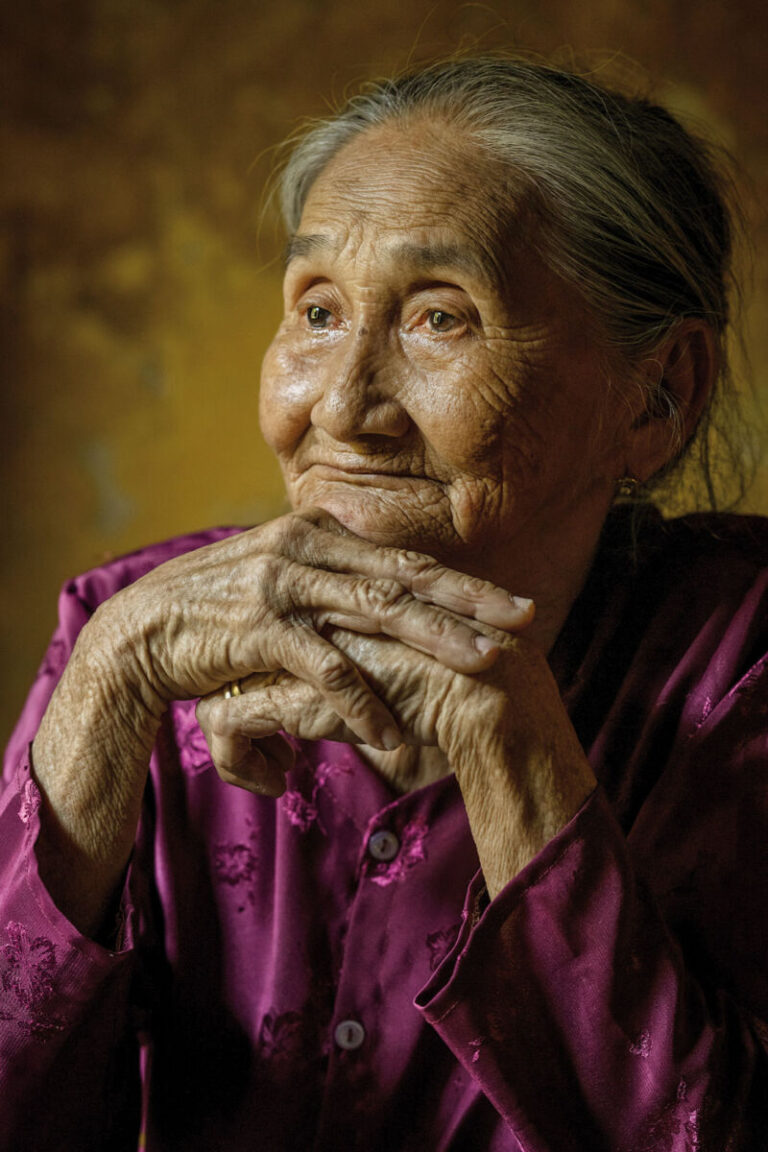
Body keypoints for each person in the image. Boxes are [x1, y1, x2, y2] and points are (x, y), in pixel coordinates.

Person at [1, 55, 767, 1151]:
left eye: (439, 319)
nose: (343, 407)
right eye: (316, 311)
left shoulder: (742, 670)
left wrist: (510, 745)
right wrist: (108, 690)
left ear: (658, 398)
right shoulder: (128, 634)